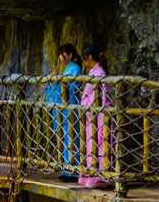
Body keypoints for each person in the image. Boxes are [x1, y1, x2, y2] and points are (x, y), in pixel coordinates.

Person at [44, 44, 82, 183]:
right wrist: (53, 81)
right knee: (66, 138)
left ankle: (74, 170)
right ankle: (67, 170)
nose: (60, 58)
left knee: (73, 138)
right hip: (65, 109)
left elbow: (71, 88)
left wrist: (55, 81)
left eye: (62, 54)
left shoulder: (76, 69)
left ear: (70, 55)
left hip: (71, 107)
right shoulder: (68, 69)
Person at [79, 45, 112, 188]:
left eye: (85, 58)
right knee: (90, 143)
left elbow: (101, 94)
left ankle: (99, 175)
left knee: (99, 142)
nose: (84, 61)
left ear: (90, 57)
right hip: (90, 113)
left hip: (98, 112)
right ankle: (89, 173)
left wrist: (93, 108)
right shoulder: (93, 71)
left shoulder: (100, 73)